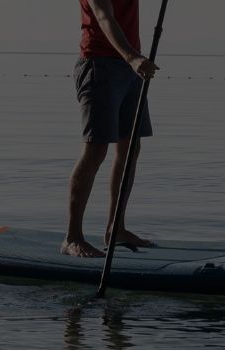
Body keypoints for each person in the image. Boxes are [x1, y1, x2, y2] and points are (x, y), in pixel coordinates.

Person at [63, 0, 160, 257]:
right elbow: (105, 16)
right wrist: (133, 57)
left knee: (130, 149)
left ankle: (116, 229)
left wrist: (132, 60)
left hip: (130, 68)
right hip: (100, 65)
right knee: (96, 151)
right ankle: (72, 238)